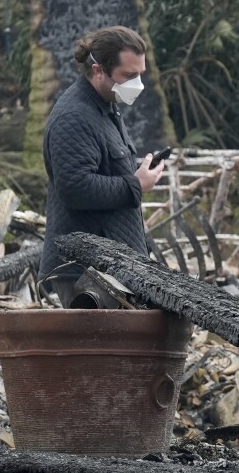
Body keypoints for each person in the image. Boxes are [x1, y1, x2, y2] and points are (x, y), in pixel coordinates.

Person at [39, 26, 165, 303]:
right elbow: (76, 187)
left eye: (140, 74)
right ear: (98, 70)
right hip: (85, 271)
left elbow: (105, 170)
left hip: (110, 264)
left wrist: (137, 175)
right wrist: (135, 184)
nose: (137, 83)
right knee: (98, 347)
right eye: (129, 76)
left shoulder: (106, 105)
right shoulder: (74, 117)